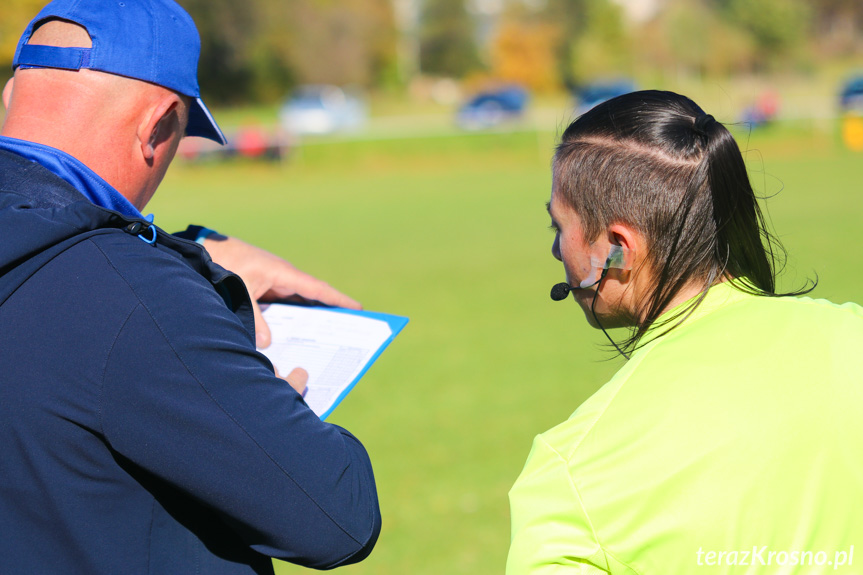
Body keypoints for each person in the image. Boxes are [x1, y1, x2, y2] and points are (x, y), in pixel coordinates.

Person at [0, 1, 380, 573]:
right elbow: (339, 515)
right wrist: (271, 396)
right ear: (155, 127)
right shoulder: (134, 297)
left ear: (11, 97)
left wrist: (189, 252)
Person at [507, 90, 863, 574]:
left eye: (558, 227)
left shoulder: (571, 470)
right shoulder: (853, 335)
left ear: (618, 249)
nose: (556, 251)